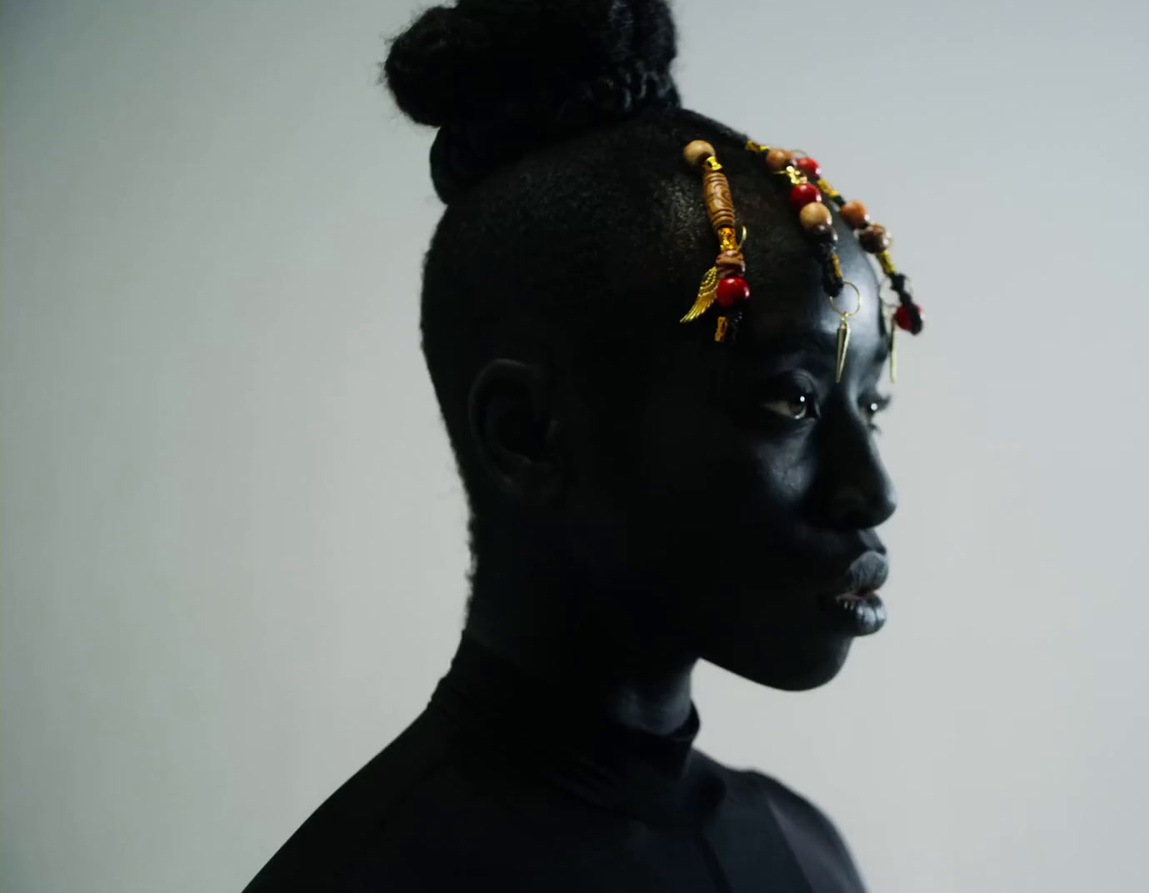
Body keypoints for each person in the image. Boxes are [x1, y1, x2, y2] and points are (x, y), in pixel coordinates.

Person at [244, 0, 923, 890]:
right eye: (792, 399)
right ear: (526, 434)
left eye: (866, 405)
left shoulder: (802, 849)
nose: (872, 491)